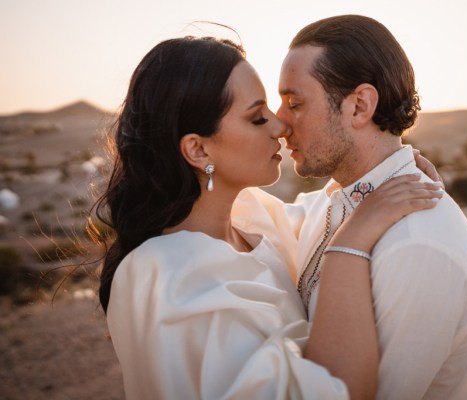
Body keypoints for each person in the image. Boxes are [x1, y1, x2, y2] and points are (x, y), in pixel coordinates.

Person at [93, 35, 444, 399]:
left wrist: (394, 171)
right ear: (198, 149)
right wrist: (349, 248)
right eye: (258, 117)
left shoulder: (250, 219)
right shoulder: (170, 280)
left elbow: (323, 212)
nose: (280, 127)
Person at [276, 15, 467, 400]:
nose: (279, 124)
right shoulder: (327, 205)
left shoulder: (419, 247)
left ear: (360, 106)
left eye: (294, 103)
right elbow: (244, 218)